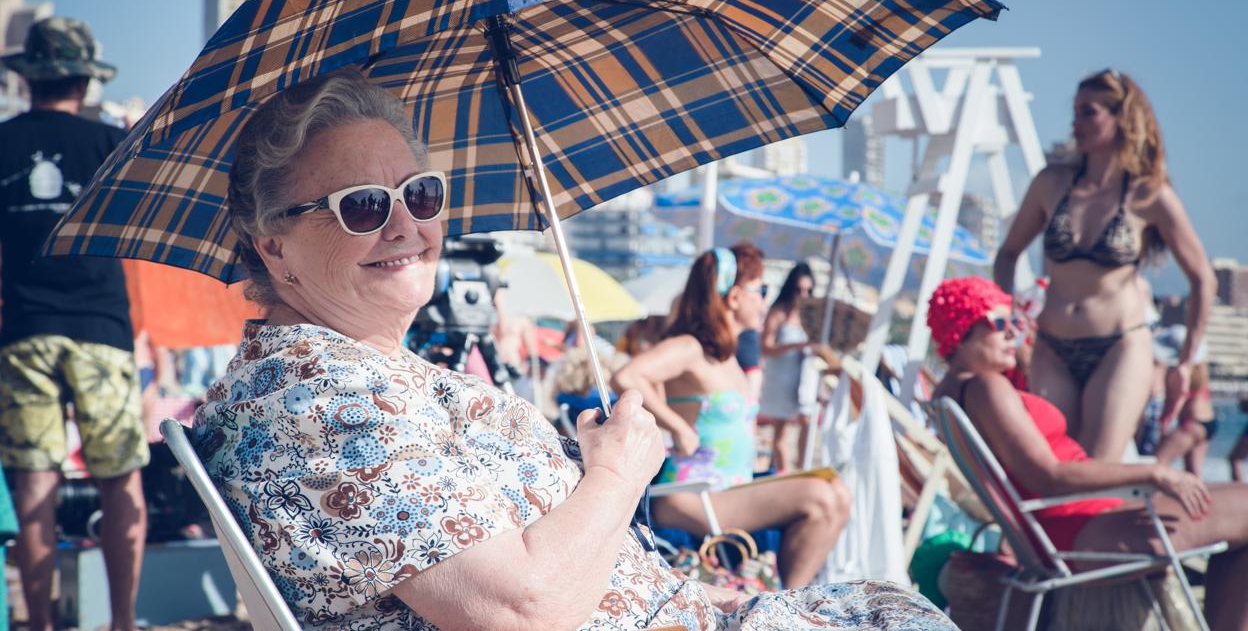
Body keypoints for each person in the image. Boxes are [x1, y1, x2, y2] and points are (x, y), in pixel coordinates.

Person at [192, 70, 951, 630]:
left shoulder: (362, 371)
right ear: (276, 249)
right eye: (361, 206)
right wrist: (620, 470)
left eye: (420, 194)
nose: (405, 226)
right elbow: (522, 609)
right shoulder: (314, 398)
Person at [927, 277, 1248, 630]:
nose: (1011, 334)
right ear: (960, 329)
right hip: (1080, 527)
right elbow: (1048, 475)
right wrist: (1156, 473)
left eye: (1015, 323)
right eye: (999, 323)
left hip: (1064, 525)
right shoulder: (987, 386)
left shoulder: (953, 393)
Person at [0, 18, 148, 631]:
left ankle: (39, 625)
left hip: (25, 327)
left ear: (27, 78)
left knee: (35, 487)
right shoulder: (111, 143)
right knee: (119, 478)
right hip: (100, 325)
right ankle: (120, 623)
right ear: (86, 79)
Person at [994, 69, 1216, 461]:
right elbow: (1007, 254)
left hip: (1120, 346)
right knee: (1049, 464)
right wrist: (1011, 314)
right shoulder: (1050, 183)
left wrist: (1185, 363)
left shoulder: (1150, 194)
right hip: (1052, 346)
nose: (1075, 122)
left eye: (1088, 112)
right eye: (1075, 112)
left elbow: (1202, 278)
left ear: (1121, 120)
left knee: (1096, 468)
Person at [612, 247, 851, 588]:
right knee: (820, 497)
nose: (765, 302)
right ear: (735, 296)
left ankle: (784, 603)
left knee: (838, 493)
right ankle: (783, 609)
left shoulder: (727, 359)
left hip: (727, 488)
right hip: (691, 492)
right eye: (761, 290)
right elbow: (627, 376)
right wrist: (676, 425)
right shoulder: (690, 347)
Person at [758, 262, 819, 472]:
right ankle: (784, 473)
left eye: (808, 290)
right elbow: (766, 348)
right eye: (799, 289)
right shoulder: (778, 312)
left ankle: (802, 470)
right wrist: (797, 346)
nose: (803, 295)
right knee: (781, 432)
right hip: (780, 378)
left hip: (805, 378)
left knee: (807, 422)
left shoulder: (812, 316)